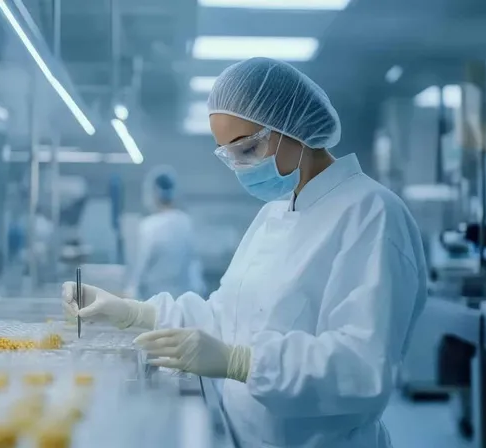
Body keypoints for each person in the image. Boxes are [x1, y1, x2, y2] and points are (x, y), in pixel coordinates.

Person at [63, 57, 427, 448]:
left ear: (294, 129)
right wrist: (131, 312)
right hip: (242, 434)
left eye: (248, 149)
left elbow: (361, 367)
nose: (239, 167)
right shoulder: (275, 213)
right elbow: (226, 318)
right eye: (229, 155)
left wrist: (241, 362)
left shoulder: (371, 214)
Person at [125, 167, 206, 299]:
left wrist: (131, 292)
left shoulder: (149, 226)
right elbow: (194, 264)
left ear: (153, 193)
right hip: (182, 299)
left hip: (155, 299)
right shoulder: (185, 222)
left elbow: (140, 268)